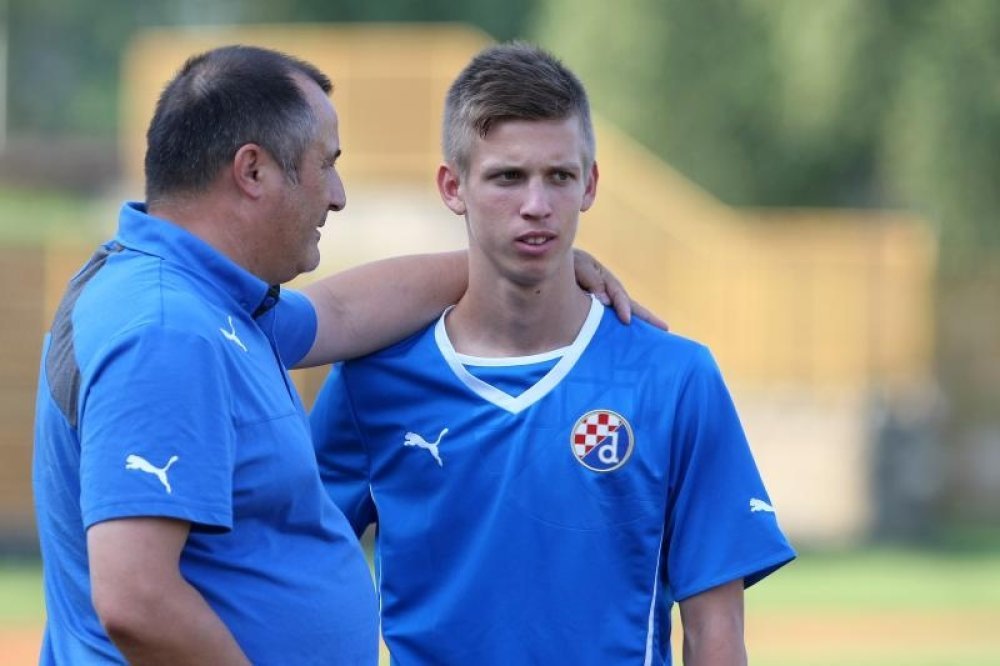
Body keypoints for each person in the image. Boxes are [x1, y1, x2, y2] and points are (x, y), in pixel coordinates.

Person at [32, 44, 641, 665]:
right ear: (252, 171)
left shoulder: (202, 301)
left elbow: (345, 311)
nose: (338, 194)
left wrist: (528, 266)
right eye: (326, 163)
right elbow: (137, 600)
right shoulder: (166, 330)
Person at [310, 42, 796, 666]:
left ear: (589, 184)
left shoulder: (674, 378)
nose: (536, 205)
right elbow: (289, 568)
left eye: (559, 177)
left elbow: (716, 633)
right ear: (453, 187)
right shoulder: (374, 382)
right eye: (507, 177)